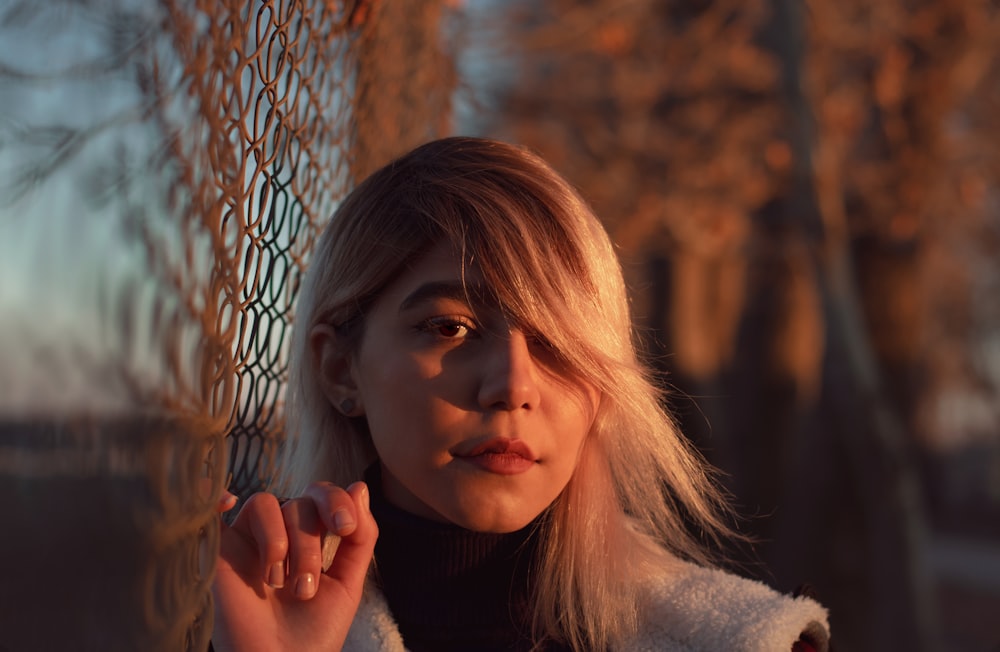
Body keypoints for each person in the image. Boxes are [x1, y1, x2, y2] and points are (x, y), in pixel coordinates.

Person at [211, 137, 830, 651]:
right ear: (341, 369)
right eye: (449, 328)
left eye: (559, 341)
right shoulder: (249, 623)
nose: (512, 385)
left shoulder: (746, 644)